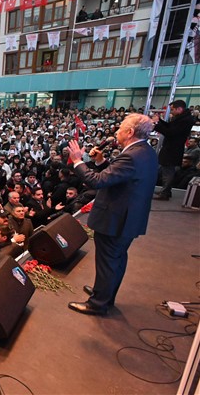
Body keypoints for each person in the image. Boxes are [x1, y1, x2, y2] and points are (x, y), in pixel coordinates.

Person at [66, 113, 158, 315]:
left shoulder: (131, 155)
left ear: (130, 132)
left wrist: (77, 161)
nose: (116, 132)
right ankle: (105, 293)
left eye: (120, 128)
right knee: (116, 259)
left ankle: (98, 303)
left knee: (108, 261)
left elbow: (97, 182)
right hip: (128, 218)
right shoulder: (145, 152)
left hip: (116, 219)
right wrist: (101, 162)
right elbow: (118, 177)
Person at [152, 100, 195, 200]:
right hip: (171, 148)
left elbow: (171, 132)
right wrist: (160, 121)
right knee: (167, 170)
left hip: (172, 149)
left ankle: (165, 192)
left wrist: (157, 125)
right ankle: (165, 190)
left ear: (179, 109)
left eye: (172, 109)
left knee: (168, 171)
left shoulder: (185, 120)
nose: (171, 112)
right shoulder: (181, 118)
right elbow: (170, 127)